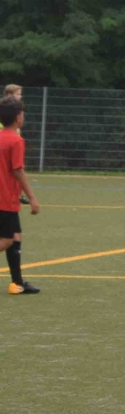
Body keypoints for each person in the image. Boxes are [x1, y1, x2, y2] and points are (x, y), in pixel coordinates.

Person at [2, 97, 41, 295]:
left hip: (7, 197)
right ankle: (16, 283)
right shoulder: (16, 141)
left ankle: (16, 283)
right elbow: (18, 170)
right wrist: (32, 197)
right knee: (7, 240)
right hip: (4, 199)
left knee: (16, 235)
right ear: (18, 117)